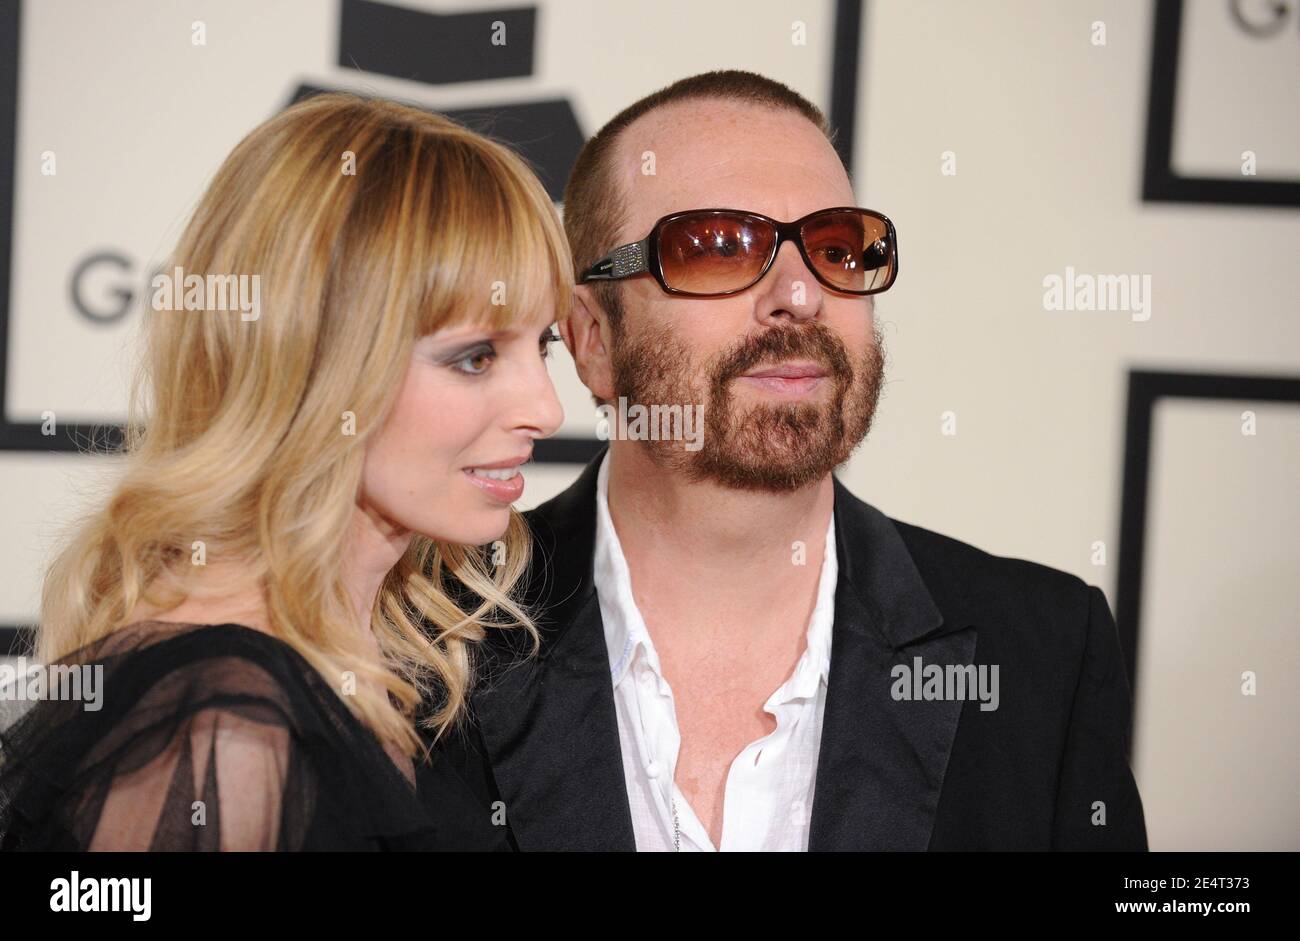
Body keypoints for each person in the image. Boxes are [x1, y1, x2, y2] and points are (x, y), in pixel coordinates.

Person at [470, 70, 1148, 851]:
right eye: (721, 246)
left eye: (835, 247)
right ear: (592, 339)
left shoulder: (1039, 657)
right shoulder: (429, 635)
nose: (799, 293)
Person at [0, 92, 567, 850]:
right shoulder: (224, 724)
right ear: (314, 361)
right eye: (474, 356)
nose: (546, 408)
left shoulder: (385, 677)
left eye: (545, 346)